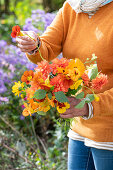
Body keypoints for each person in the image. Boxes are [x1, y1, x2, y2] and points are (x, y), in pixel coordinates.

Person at [16, 0, 113, 169]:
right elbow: (47, 46)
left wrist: (90, 106)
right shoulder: (73, 6)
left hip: (108, 131)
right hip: (80, 125)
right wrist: (34, 44)